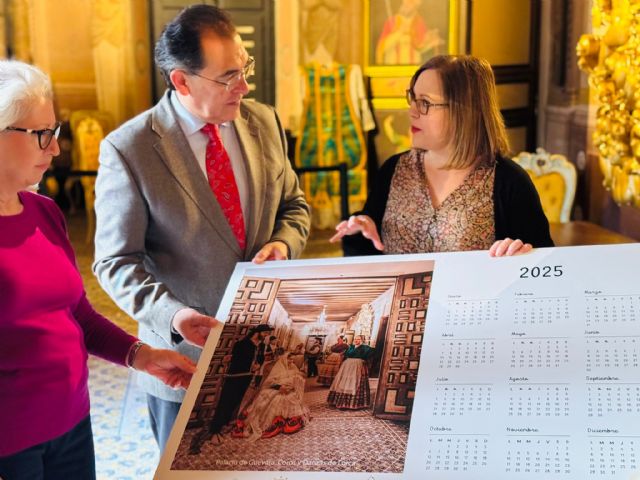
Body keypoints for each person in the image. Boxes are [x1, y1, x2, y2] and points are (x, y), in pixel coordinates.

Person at [92, 4, 310, 452]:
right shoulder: (130, 149)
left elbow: (294, 205)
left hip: (266, 357)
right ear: (181, 80)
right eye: (228, 76)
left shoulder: (263, 122)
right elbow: (115, 262)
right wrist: (173, 316)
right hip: (183, 366)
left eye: (245, 67)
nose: (244, 86)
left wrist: (282, 245)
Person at [0, 60, 197, 479]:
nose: (54, 148)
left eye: (54, 133)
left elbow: (77, 316)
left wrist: (141, 355)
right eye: (41, 135)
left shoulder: (44, 212)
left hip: (71, 423)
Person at [331, 55, 553, 256]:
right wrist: (360, 229)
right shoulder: (393, 169)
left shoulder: (509, 182)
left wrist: (522, 255)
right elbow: (370, 251)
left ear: (464, 110)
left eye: (425, 102)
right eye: (413, 98)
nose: (412, 111)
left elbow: (544, 266)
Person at [189, 324, 273, 453]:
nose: (267, 335)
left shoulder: (261, 346)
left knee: (236, 401)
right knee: (225, 401)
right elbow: (233, 359)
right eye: (266, 333)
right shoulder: (242, 344)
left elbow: (261, 358)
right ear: (258, 332)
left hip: (247, 377)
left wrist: (258, 364)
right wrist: (227, 360)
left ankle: (224, 423)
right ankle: (215, 430)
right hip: (234, 376)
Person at [237, 353, 310, 441]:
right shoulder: (278, 368)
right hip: (275, 389)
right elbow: (269, 383)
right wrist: (280, 387)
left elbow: (298, 379)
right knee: (275, 400)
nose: (291, 361)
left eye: (292, 360)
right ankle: (273, 423)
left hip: (289, 390)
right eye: (289, 359)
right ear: (284, 359)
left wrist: (293, 386)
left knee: (291, 398)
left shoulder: (293, 367)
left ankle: (288, 422)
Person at [327, 335, 375, 410]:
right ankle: (342, 402)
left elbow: (371, 355)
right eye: (355, 339)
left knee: (354, 382)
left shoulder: (365, 348)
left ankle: (353, 403)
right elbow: (345, 355)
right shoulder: (351, 347)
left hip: (357, 366)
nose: (356, 340)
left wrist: (365, 362)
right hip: (347, 366)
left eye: (358, 339)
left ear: (362, 340)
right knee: (344, 382)